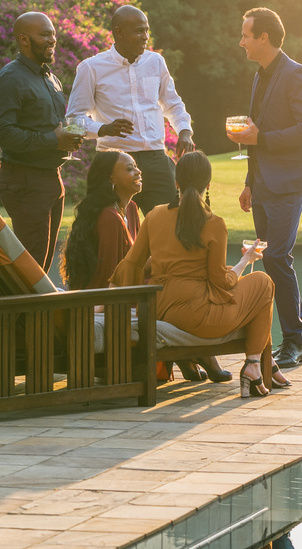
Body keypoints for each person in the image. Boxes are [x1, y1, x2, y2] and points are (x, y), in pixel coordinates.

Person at [110, 151, 290, 398]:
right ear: (208, 185)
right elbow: (220, 282)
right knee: (263, 284)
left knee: (252, 295)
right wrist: (244, 261)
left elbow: (131, 265)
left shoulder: (154, 215)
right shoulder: (214, 223)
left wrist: (119, 299)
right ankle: (253, 364)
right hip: (200, 319)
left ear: (176, 183)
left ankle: (263, 365)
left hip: (160, 308)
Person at [228, 7, 302, 370]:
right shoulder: (259, 77)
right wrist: (249, 182)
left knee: (277, 256)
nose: (242, 42)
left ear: (264, 37)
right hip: (263, 181)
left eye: (246, 35)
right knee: (272, 258)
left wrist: (260, 137)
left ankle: (294, 341)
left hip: (289, 180)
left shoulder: (298, 75)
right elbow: (254, 136)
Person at [67, 5, 194, 215]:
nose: (145, 37)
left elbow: (173, 103)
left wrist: (185, 131)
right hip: (113, 163)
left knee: (172, 226)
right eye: (138, 31)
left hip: (156, 160)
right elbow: (73, 122)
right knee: (112, 231)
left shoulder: (156, 62)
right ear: (119, 32)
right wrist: (103, 129)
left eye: (146, 30)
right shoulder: (91, 68)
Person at [0, 11, 83, 273]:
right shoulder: (9, 79)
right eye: (44, 34)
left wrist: (67, 138)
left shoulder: (50, 78)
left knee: (40, 267)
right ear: (24, 39)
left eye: (53, 33)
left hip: (52, 179)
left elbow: (51, 126)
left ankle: (32, 313)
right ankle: (12, 314)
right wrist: (53, 139)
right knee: (29, 268)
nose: (52, 39)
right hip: (25, 181)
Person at [60, 150, 142, 291]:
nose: (138, 171)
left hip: (129, 286)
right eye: (130, 168)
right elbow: (107, 277)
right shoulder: (109, 218)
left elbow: (139, 256)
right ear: (112, 179)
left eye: (135, 166)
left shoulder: (131, 209)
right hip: (107, 298)